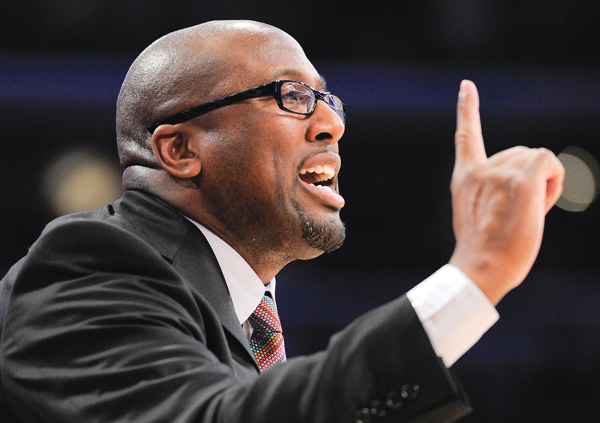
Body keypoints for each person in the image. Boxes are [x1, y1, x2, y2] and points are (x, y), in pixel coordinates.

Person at [0, 20, 564, 423]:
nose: (330, 126)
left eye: (329, 101)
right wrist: (475, 275)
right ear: (178, 151)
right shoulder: (88, 264)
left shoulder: (236, 312)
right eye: (291, 96)